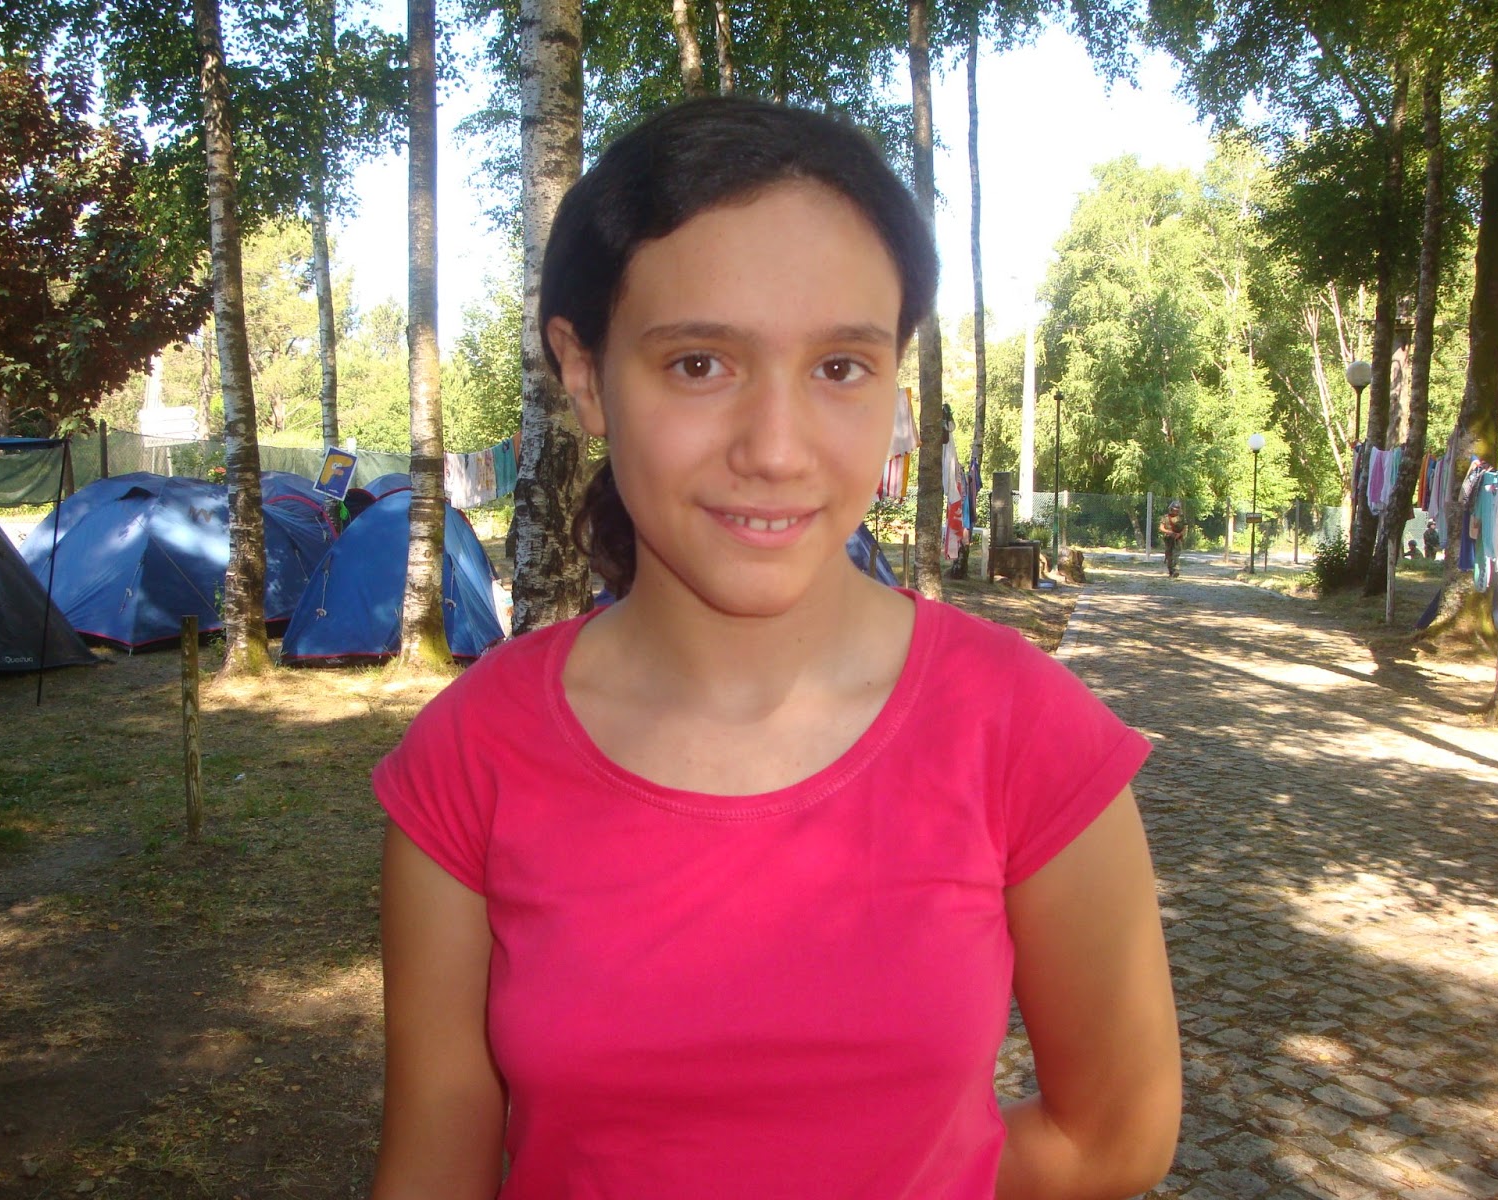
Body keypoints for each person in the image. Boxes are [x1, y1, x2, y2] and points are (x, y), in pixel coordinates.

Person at [371, 97, 1181, 1200]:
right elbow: (434, 1161)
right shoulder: (470, 757)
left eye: (840, 367)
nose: (777, 449)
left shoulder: (1023, 732)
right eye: (700, 364)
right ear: (583, 373)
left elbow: (1113, 1136)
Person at [1159, 501, 1187, 577]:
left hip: (1177, 538)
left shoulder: (1181, 518)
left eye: (1177, 510)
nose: (1175, 512)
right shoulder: (1165, 517)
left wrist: (1180, 534)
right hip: (1168, 538)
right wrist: (1168, 532)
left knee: (1176, 554)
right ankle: (1171, 571)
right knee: (1169, 556)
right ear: (1171, 509)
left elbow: (1185, 528)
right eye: (1174, 510)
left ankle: (1176, 569)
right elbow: (1161, 528)